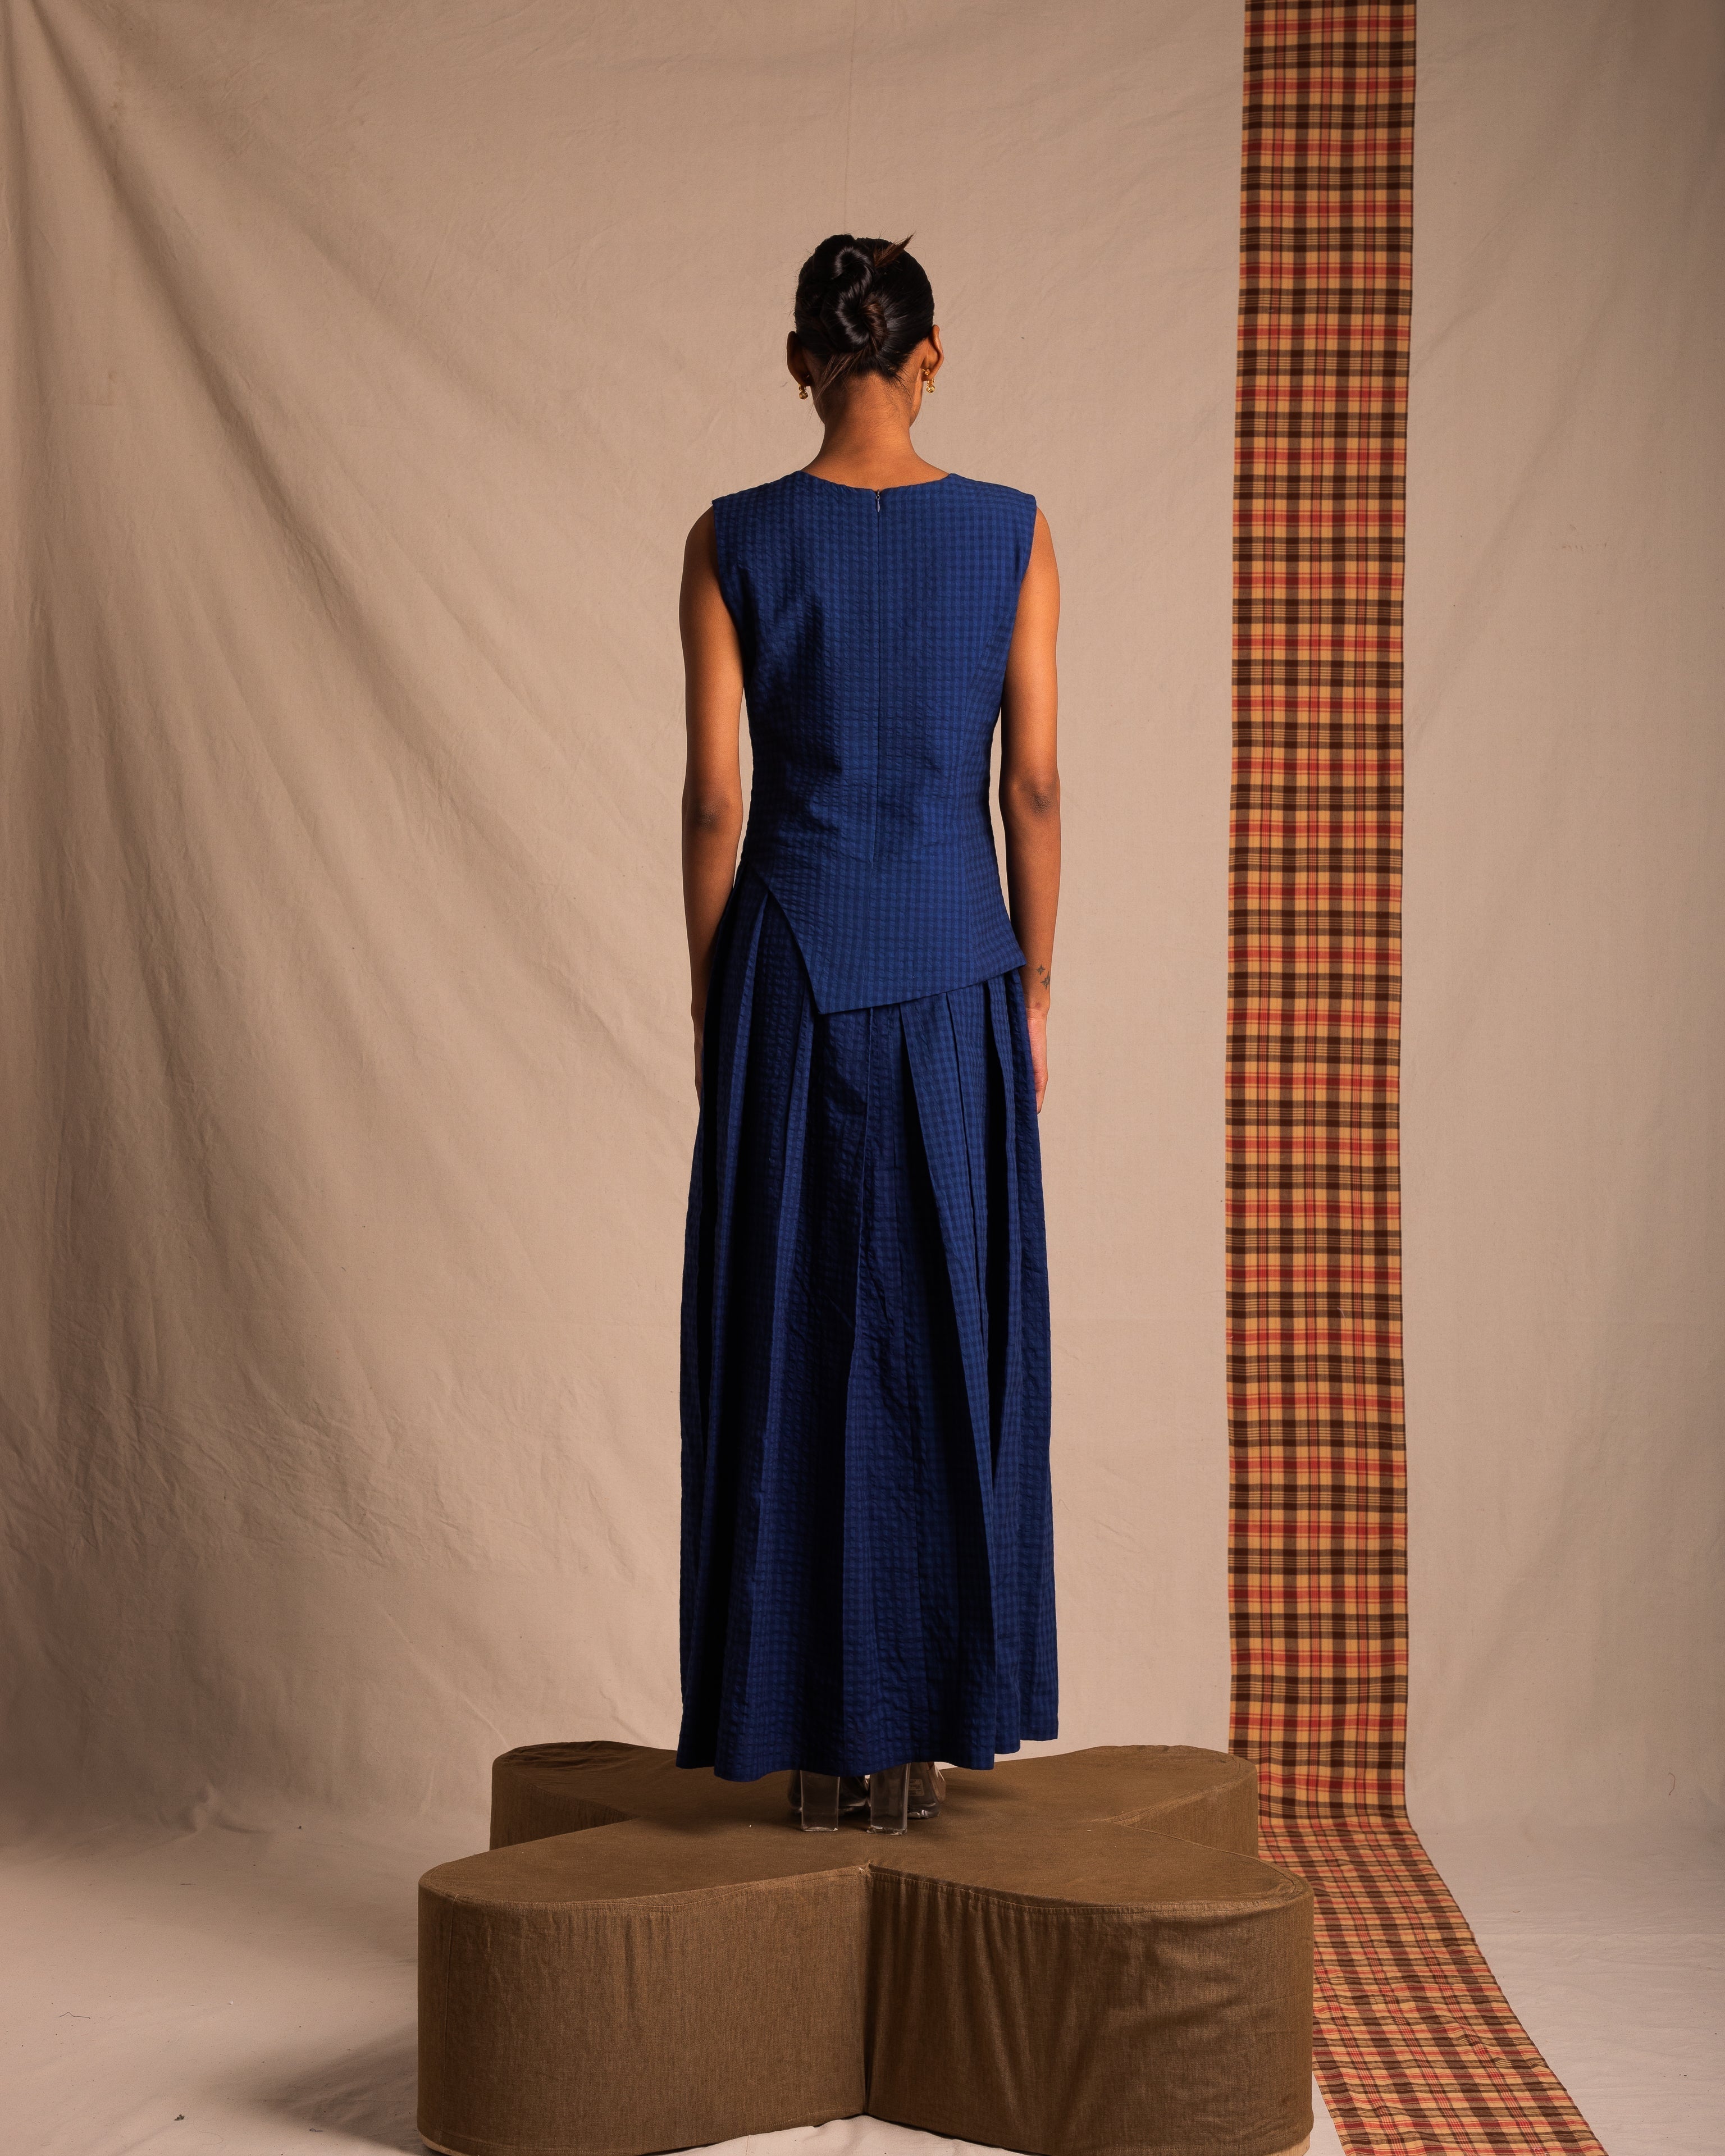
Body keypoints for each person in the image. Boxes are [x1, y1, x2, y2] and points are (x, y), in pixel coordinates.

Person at [675, 234, 1060, 1835]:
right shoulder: (1015, 536)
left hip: (789, 968)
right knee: (945, 1341)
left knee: (787, 1334)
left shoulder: (731, 537)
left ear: (797, 364)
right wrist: (1030, 990)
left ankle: (805, 1730)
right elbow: (1029, 787)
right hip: (960, 971)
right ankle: (926, 1734)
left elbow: (716, 799)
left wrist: (717, 1007)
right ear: (932, 354)